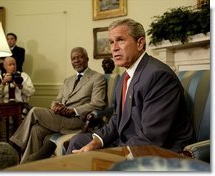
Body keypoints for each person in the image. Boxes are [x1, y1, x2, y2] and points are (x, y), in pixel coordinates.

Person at [66, 18, 196, 155]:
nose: (114, 48)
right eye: (111, 42)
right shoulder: (124, 77)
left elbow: (151, 138)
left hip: (162, 150)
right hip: (128, 141)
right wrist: (96, 142)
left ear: (140, 43)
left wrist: (111, 155)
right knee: (78, 141)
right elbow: (117, 118)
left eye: (120, 40)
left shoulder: (159, 76)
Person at [9, 47, 107, 163]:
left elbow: (98, 103)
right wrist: (55, 106)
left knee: (35, 111)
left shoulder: (97, 78)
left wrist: (74, 111)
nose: (76, 61)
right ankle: (27, 166)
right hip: (60, 116)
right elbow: (56, 100)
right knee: (36, 130)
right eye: (73, 58)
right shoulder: (68, 80)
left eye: (80, 57)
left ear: (87, 59)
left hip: (77, 120)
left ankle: (15, 145)